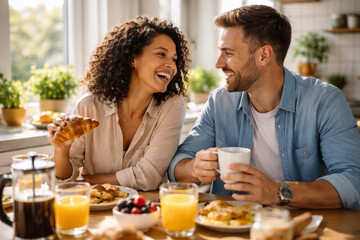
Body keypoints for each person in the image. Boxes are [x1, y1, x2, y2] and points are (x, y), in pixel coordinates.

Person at [168, 5, 360, 209]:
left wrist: (279, 191)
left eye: (228, 53)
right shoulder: (220, 102)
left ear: (264, 55)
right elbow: (178, 164)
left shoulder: (325, 101)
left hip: (304, 227)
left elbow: (354, 181)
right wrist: (195, 168)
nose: (218, 63)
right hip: (231, 226)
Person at [48, 16, 191, 191]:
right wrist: (61, 151)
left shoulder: (172, 107)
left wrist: (90, 181)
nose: (171, 65)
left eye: (174, 59)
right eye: (161, 54)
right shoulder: (89, 106)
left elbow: (149, 176)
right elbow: (64, 181)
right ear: (133, 58)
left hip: (145, 210)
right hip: (97, 212)